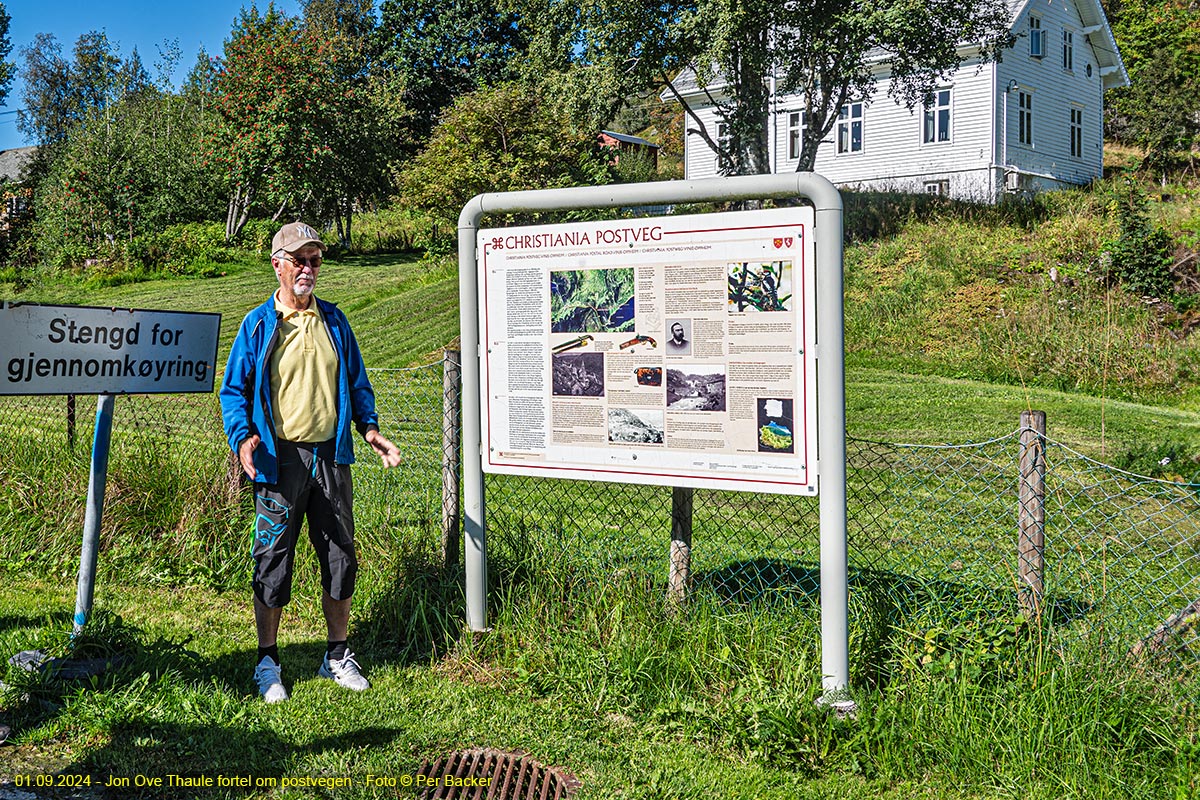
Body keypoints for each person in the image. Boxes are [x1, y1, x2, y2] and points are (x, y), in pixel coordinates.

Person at [220, 221, 402, 704]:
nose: (308, 269)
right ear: (277, 265)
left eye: (315, 260)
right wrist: (243, 438)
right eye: (298, 260)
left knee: (341, 557)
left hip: (330, 457)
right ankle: (267, 661)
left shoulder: (335, 321)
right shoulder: (258, 325)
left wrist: (370, 430)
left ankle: (336, 655)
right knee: (272, 559)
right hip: (278, 460)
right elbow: (233, 390)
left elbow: (357, 383)